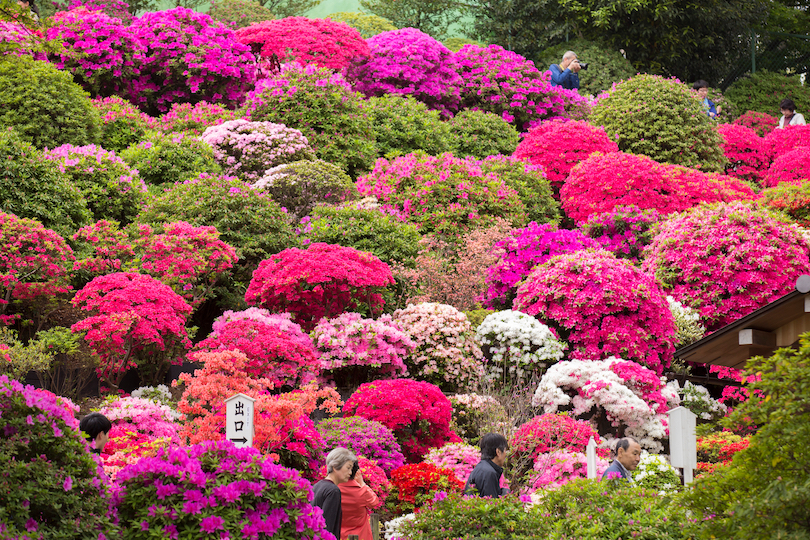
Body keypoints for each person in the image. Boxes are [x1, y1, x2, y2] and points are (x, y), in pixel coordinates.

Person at [313, 447, 356, 539]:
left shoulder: (316, 486)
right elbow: (328, 528)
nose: (350, 472)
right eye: (348, 468)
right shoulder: (333, 491)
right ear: (335, 467)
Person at [339, 461, 379, 540]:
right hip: (361, 536)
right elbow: (374, 501)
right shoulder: (361, 491)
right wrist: (362, 483)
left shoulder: (333, 489)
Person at [464, 433, 510, 498]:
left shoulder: (481, 467)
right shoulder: (489, 473)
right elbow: (491, 504)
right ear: (498, 452)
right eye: (505, 450)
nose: (505, 454)